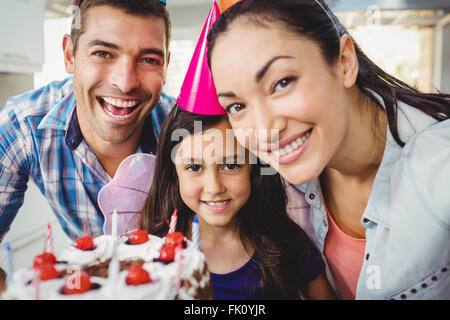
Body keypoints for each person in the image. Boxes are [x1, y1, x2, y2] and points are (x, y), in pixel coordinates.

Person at [206, 0, 450, 299]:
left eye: (282, 83)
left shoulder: (440, 165)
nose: (263, 129)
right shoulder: (278, 181)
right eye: (238, 106)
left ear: (344, 62)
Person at [0, 0, 175, 243]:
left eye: (148, 60)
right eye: (103, 53)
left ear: (165, 65)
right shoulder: (23, 127)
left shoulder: (187, 131)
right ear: (70, 55)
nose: (125, 83)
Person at [140, 105, 336, 299]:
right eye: (194, 167)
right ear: (174, 173)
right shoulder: (153, 250)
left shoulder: (288, 244)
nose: (214, 187)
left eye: (230, 165)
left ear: (254, 167)